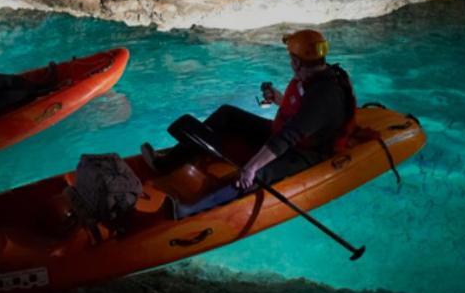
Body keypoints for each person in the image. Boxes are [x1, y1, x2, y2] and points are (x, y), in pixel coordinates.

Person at [142, 29, 357, 218]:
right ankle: (166, 163)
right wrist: (278, 99)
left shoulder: (324, 95)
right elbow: (301, 111)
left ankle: (189, 209)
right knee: (227, 114)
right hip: (288, 131)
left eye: (291, 57)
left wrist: (252, 167)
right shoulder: (314, 75)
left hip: (307, 151)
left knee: (257, 174)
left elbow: (290, 135)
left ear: (297, 62)